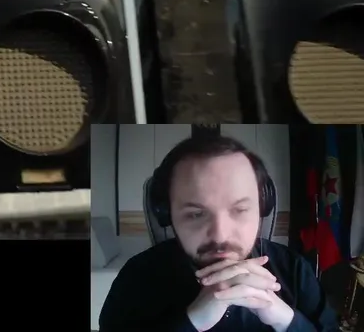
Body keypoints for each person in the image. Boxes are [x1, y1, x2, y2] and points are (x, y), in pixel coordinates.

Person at [99, 135, 338, 332]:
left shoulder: (295, 270)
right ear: (165, 213)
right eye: (196, 214)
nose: (220, 235)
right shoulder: (137, 278)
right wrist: (190, 322)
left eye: (240, 210)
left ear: (262, 207)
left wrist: (286, 320)